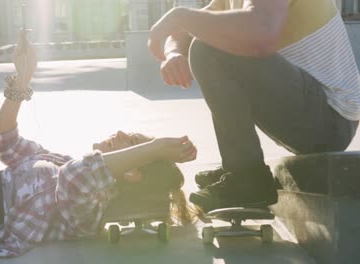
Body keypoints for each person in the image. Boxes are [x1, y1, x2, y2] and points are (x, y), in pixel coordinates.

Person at [0, 30, 197, 257]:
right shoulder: (59, 162)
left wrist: (157, 148)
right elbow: (3, 142)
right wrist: (23, 79)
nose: (120, 133)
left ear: (131, 172)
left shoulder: (89, 209)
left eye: (130, 143)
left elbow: (78, 177)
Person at [148, 0, 360, 213]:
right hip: (313, 112)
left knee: (209, 48)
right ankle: (238, 168)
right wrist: (174, 53)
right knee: (210, 39)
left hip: (331, 116)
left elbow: (262, 32)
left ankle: (248, 177)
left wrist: (178, 16)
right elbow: (186, 30)